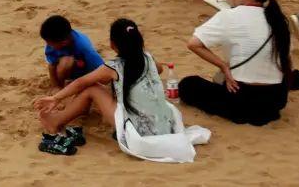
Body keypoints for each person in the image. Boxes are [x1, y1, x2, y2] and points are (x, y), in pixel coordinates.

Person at [33, 19, 209, 161]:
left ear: (112, 44)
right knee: (105, 89)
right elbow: (160, 69)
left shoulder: (114, 66)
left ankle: (57, 120)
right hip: (163, 124)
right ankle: (69, 115)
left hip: (137, 130)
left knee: (92, 88)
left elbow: (81, 82)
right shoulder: (148, 58)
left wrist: (56, 98)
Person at [180, 0, 299, 126]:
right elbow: (285, 61)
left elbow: (193, 44)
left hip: (242, 101)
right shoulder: (278, 20)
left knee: (188, 84)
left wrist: (223, 65)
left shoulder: (229, 16)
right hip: (275, 100)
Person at [40, 15, 106, 90]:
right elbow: (52, 66)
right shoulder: (52, 45)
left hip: (86, 69)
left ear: (64, 43)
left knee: (100, 79)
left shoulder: (84, 47)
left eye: (50, 43)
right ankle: (62, 85)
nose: (48, 45)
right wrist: (56, 86)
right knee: (65, 63)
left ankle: (73, 83)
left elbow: (102, 69)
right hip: (71, 69)